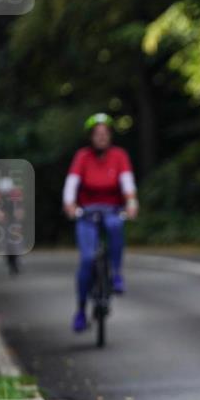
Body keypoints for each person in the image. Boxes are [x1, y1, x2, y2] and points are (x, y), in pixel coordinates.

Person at [62, 113, 139, 333]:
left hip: (112, 211)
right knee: (87, 259)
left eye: (105, 134)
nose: (101, 138)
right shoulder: (82, 157)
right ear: (90, 137)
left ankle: (116, 274)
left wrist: (131, 203)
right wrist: (69, 205)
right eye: (97, 134)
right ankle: (80, 310)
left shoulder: (119, 156)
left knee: (115, 226)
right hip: (87, 214)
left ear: (110, 136)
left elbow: (127, 184)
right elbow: (71, 184)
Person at [0, 176, 25, 275]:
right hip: (3, 217)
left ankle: (17, 257)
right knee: (4, 239)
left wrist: (19, 214)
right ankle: (7, 255)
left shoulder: (16, 193)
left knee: (16, 237)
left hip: (13, 216)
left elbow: (20, 208)